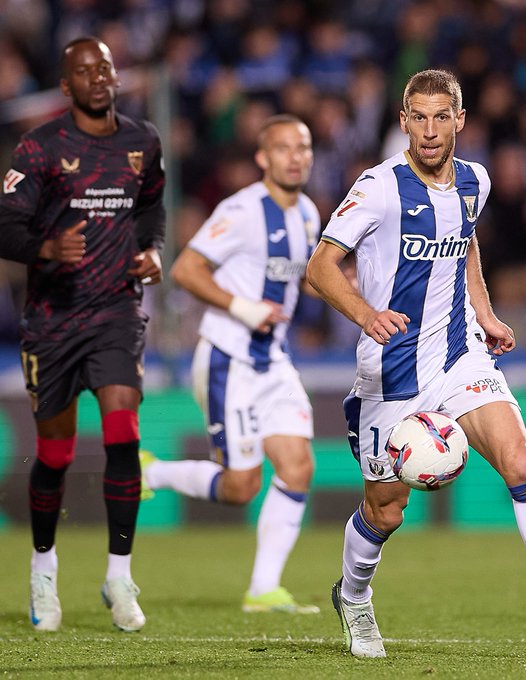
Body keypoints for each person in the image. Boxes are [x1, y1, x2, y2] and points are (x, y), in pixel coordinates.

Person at [306, 69, 526, 658]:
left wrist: (487, 313)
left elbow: (464, 239)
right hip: (390, 368)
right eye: (417, 117)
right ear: (403, 122)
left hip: (457, 353)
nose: (428, 129)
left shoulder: (476, 181)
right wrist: (367, 314)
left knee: (519, 459)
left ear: (460, 121)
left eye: (440, 117)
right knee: (386, 510)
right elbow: (320, 266)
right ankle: (355, 596)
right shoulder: (378, 187)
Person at [0, 37, 165, 632]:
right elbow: (4, 227)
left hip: (117, 314)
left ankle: (119, 576)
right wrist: (45, 246)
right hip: (53, 320)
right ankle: (44, 568)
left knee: (123, 433)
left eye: (105, 67)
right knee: (55, 453)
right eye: (84, 71)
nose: (98, 77)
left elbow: (151, 210)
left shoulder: (142, 142)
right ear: (66, 87)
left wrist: (153, 251)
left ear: (116, 75)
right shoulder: (40, 148)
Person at [140, 114, 320, 614]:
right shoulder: (241, 210)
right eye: (283, 148)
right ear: (263, 158)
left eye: (303, 147)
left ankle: (263, 589)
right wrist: (244, 308)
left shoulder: (308, 212)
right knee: (241, 486)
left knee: (298, 466)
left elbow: (300, 280)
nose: (295, 156)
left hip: (274, 362)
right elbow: (185, 269)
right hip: (229, 359)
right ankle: (152, 474)